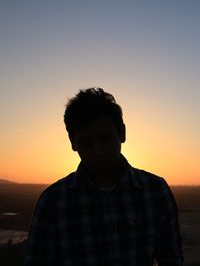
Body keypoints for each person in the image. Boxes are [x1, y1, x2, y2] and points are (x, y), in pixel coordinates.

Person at [25, 88, 183, 266]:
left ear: (122, 133)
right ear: (72, 143)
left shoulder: (155, 192)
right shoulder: (53, 202)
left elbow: (171, 259)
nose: (97, 151)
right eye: (86, 143)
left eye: (105, 139)